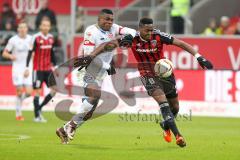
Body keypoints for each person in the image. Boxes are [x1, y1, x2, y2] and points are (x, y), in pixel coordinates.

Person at [56, 9, 136, 144]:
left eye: (111, 20)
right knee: (95, 96)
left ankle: (64, 129)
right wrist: (107, 66)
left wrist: (130, 36)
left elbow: (133, 31)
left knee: (89, 112)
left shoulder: (114, 28)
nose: (109, 22)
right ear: (99, 19)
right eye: (106, 19)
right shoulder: (91, 32)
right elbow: (88, 57)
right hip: (88, 70)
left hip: (100, 74)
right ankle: (71, 125)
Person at [130, 17, 213, 147]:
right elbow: (111, 44)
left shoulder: (158, 36)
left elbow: (181, 44)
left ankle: (165, 124)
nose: (150, 33)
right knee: (163, 102)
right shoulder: (131, 38)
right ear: (140, 28)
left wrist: (199, 57)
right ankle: (178, 136)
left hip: (164, 73)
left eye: (151, 29)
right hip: (147, 74)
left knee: (175, 107)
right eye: (147, 30)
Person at [24, 18, 57, 122]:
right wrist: (26, 67)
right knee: (38, 91)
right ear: (40, 26)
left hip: (48, 69)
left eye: (47, 25)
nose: (46, 27)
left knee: (54, 90)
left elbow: (52, 53)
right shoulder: (36, 37)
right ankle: (37, 116)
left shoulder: (51, 38)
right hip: (37, 69)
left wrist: (55, 66)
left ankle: (39, 108)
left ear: (50, 27)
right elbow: (30, 53)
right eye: (44, 25)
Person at [2, 21, 33, 121]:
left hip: (28, 68)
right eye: (21, 27)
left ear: (27, 29)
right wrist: (11, 56)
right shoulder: (13, 40)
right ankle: (18, 112)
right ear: (18, 29)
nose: (23, 29)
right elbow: (4, 53)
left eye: (24, 27)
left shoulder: (30, 39)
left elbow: (33, 52)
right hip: (17, 68)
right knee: (19, 92)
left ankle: (18, 104)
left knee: (28, 92)